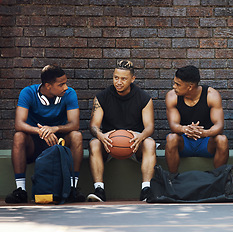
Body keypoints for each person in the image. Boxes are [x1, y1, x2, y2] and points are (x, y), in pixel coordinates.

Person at [6, 65, 84, 203]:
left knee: (76, 135)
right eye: (61, 84)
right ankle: (21, 190)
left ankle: (72, 189)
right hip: (34, 144)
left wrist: (54, 129)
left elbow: (74, 124)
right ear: (48, 86)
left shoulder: (69, 93)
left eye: (65, 83)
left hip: (58, 144)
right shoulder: (28, 92)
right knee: (18, 136)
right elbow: (19, 124)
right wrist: (42, 131)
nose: (65, 87)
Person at [87, 60, 156, 202]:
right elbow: (94, 125)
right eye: (115, 77)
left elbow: (149, 127)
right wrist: (101, 135)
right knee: (94, 143)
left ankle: (146, 190)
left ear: (132, 79)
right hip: (109, 142)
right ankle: (99, 190)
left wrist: (141, 136)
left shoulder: (144, 98)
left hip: (134, 142)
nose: (118, 82)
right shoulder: (102, 97)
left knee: (150, 143)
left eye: (123, 79)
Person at [165, 65, 228, 173]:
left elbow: (219, 125)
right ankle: (173, 179)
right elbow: (173, 126)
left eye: (178, 84)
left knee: (222, 140)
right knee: (171, 138)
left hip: (206, 142)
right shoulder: (172, 96)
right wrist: (185, 129)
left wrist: (204, 133)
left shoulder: (211, 95)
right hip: (185, 142)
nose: (174, 86)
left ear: (190, 86)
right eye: (174, 83)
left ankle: (219, 180)